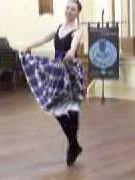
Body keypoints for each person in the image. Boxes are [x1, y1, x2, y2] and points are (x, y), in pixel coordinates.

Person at [21, 0, 84, 167]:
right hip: (57, 70)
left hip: (70, 71)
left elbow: (74, 44)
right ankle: (74, 144)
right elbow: (43, 39)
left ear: (77, 13)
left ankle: (72, 146)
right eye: (68, 8)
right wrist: (28, 46)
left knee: (71, 109)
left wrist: (71, 52)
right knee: (56, 108)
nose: (69, 11)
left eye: (73, 9)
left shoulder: (77, 30)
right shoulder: (58, 29)